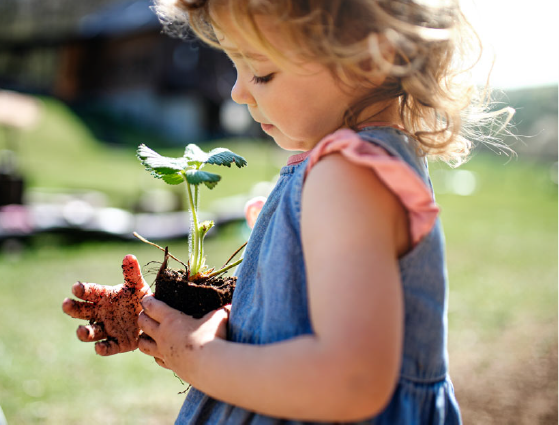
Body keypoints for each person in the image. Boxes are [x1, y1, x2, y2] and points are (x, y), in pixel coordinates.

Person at [63, 0, 512, 423]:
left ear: (370, 56)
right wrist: (165, 322)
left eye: (261, 72)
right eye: (235, 65)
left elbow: (351, 380)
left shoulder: (348, 177)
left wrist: (199, 357)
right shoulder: (349, 168)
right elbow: (284, 327)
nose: (238, 91)